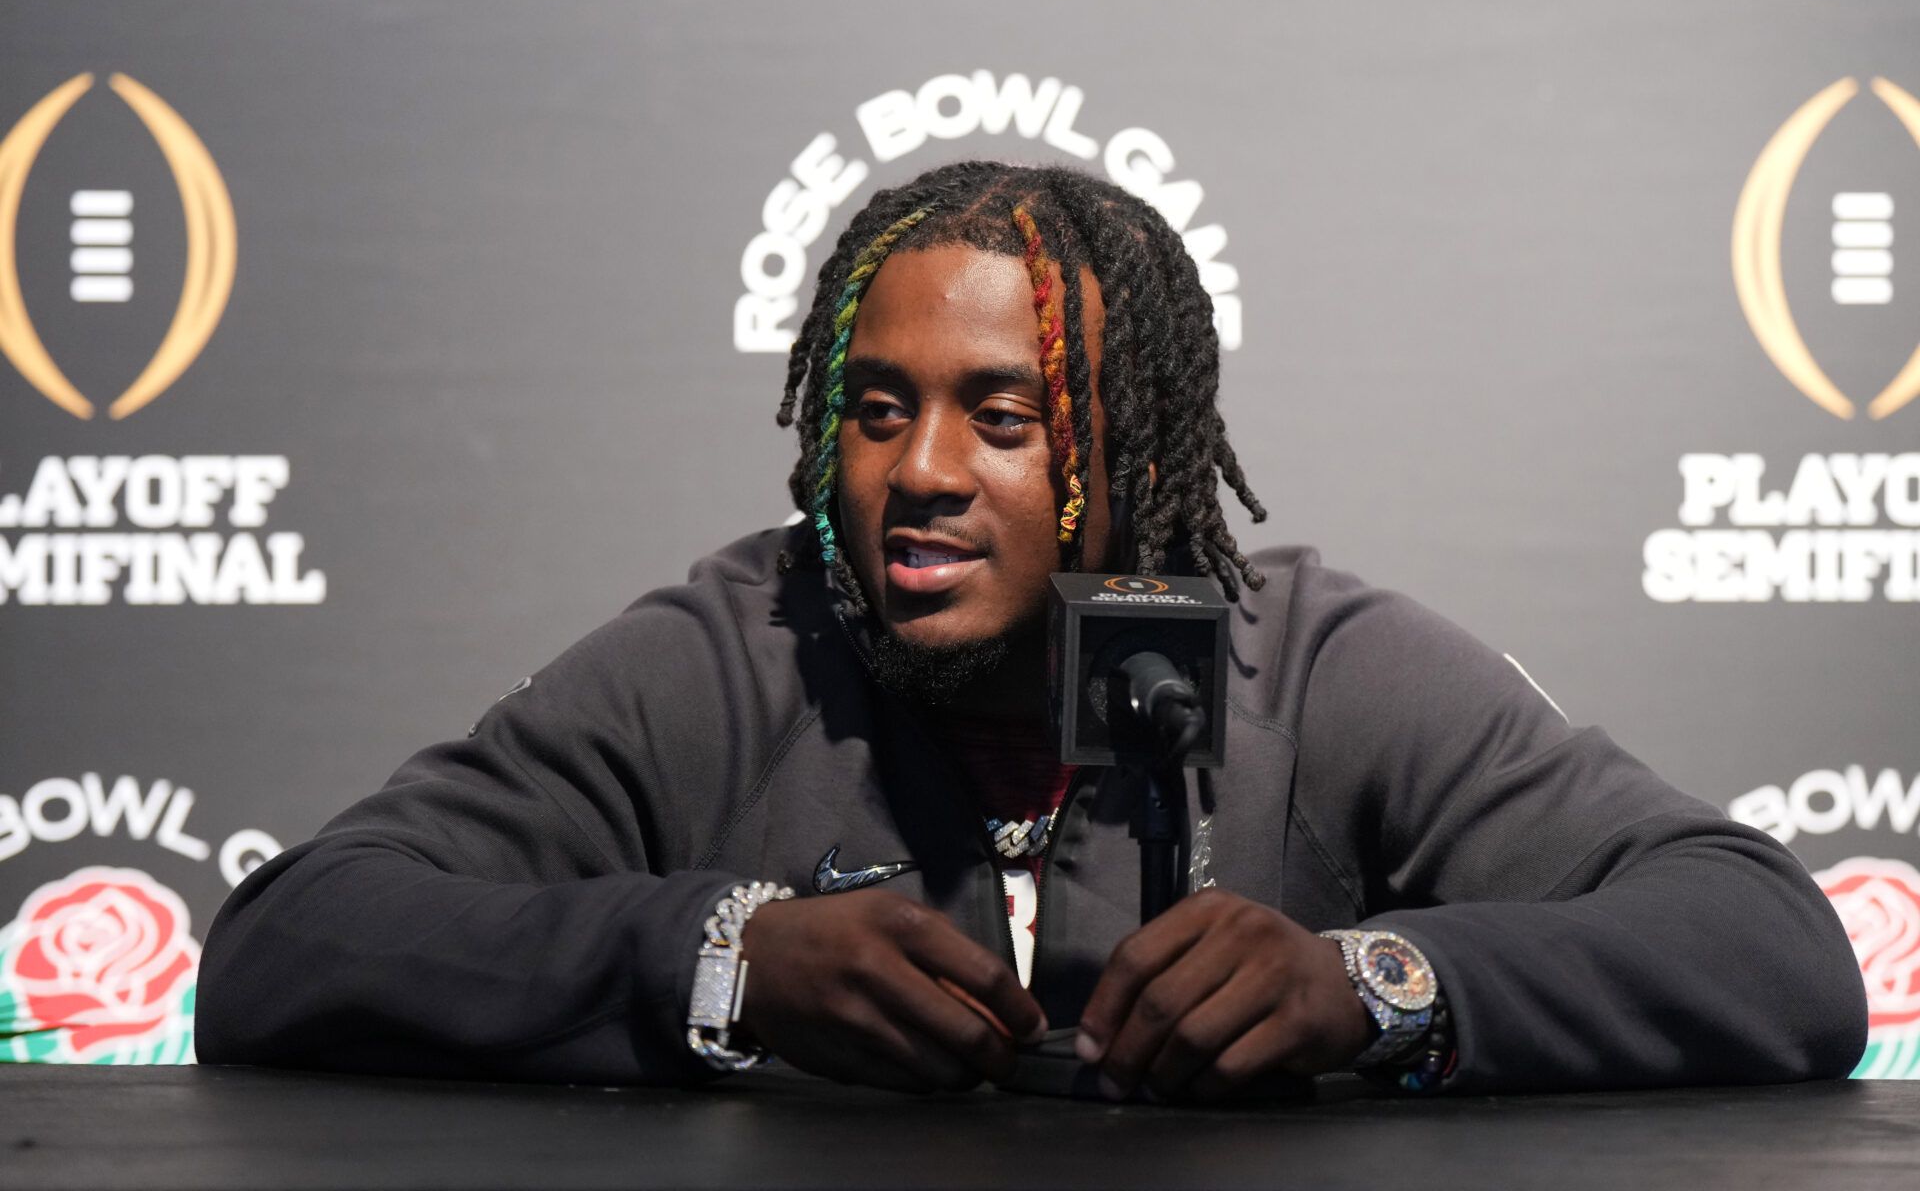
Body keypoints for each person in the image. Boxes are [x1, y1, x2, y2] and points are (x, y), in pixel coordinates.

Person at [196, 161, 1866, 1100]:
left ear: (1128, 448)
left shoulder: (1324, 664)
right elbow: (288, 943)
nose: (918, 473)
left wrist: (1372, 984)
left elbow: (1770, 946)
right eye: (872, 410)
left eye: (1001, 417)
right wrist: (715, 957)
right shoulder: (731, 647)